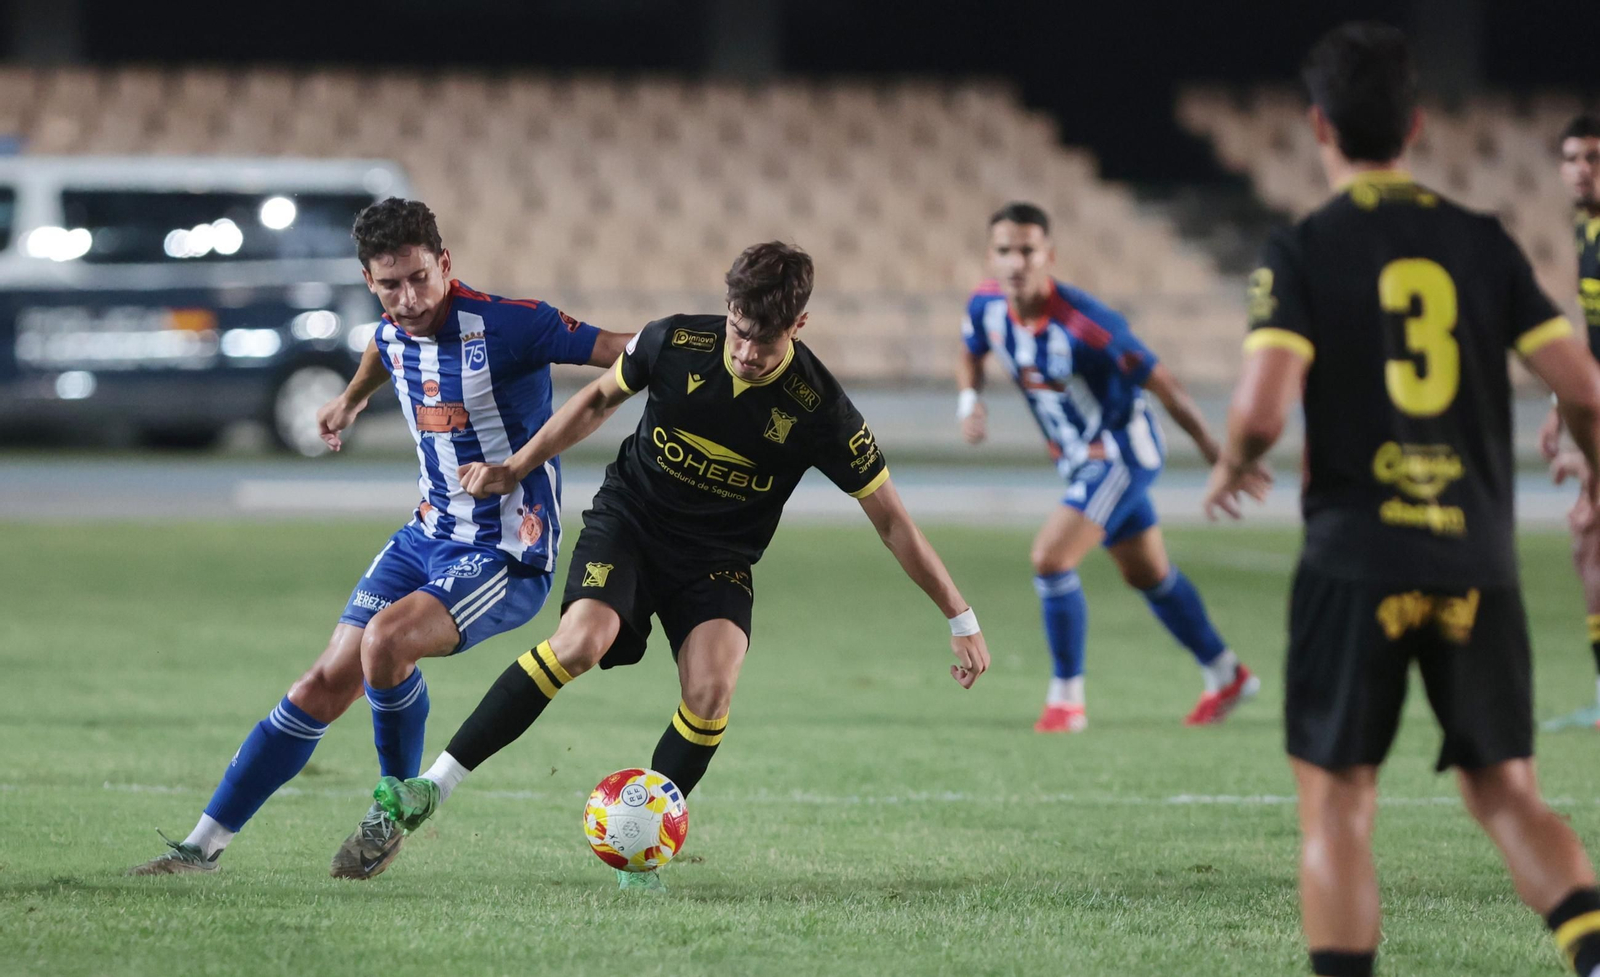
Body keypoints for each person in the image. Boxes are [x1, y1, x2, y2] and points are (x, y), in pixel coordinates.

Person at [363, 241, 991, 890]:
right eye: (740, 332)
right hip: (630, 523)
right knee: (580, 642)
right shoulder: (673, 341)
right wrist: (514, 467)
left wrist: (960, 615)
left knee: (712, 689)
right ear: (728, 309)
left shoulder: (819, 408)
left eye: (765, 342)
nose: (746, 352)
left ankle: (642, 850)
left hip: (717, 558)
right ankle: (432, 788)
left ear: (798, 326)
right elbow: (597, 402)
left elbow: (891, 519)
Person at [1204, 23, 1600, 977]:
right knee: (1507, 790)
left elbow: (1261, 409)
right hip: (1474, 557)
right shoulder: (1481, 242)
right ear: (1416, 126)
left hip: (1356, 559)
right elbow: (1583, 386)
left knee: (1338, 800)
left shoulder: (1304, 248)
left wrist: (1231, 462)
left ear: (1319, 129)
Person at [127, 197, 629, 879]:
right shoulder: (394, 330)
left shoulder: (514, 325)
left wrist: (697, 364)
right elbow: (382, 348)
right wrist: (351, 398)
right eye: (390, 284)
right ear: (370, 281)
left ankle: (391, 809)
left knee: (385, 641)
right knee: (320, 682)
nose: (409, 297)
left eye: (420, 277)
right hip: (426, 534)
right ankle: (200, 846)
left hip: (505, 552)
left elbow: (628, 353)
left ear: (445, 263)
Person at [959, 202, 1269, 732]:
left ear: (1048, 256)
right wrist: (970, 400)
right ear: (991, 256)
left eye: (1027, 251)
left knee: (1051, 558)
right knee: (1149, 575)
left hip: (1122, 455)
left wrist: (1220, 456)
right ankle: (1226, 673)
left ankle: (1066, 701)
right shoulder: (987, 306)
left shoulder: (1089, 325)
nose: (1015, 262)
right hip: (1080, 462)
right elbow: (970, 349)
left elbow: (1165, 385)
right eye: (1004, 250)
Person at [1538, 113, 1600, 730]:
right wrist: (1563, 404)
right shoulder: (1588, 235)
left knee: (1590, 536)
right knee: (1589, 541)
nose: (1583, 170)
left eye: (1595, 158)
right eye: (1574, 158)